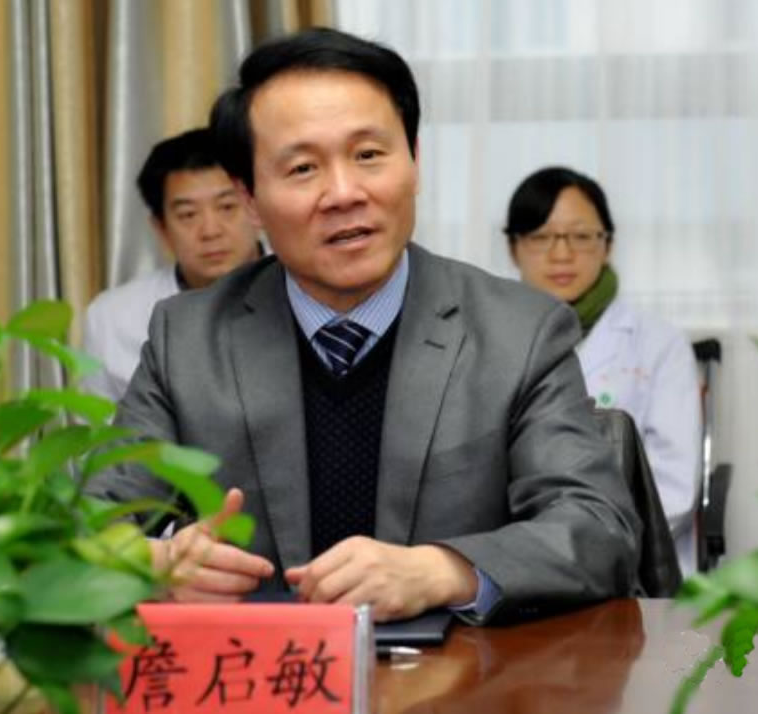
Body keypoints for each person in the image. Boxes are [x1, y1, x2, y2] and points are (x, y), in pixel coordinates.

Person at [91, 28, 639, 623]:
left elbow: (598, 528)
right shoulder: (188, 340)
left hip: (463, 671)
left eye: (369, 155)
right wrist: (155, 562)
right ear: (249, 199)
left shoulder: (519, 332)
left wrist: (442, 570)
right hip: (267, 669)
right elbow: (87, 526)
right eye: (303, 167)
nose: (344, 193)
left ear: (415, 160)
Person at [504, 166, 701, 574]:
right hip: (516, 562)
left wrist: (585, 546)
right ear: (513, 248)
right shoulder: (486, 340)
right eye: (541, 236)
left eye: (580, 236)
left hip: (632, 565)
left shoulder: (659, 343)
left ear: (607, 244)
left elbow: (675, 486)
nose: (561, 254)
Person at [81, 128, 261, 401]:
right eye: (188, 214)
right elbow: (100, 425)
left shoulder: (309, 288)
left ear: (256, 206)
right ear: (161, 228)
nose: (210, 231)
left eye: (227, 207)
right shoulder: (112, 319)